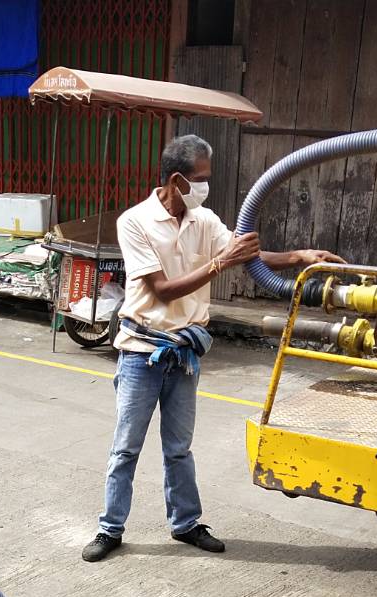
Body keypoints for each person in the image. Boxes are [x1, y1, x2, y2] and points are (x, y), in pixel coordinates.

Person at [81, 134, 344, 563]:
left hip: (185, 354)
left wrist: (298, 256)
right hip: (142, 352)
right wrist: (222, 262)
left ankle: (185, 523)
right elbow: (163, 291)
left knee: (179, 448)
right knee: (126, 448)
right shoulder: (135, 222)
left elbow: (245, 254)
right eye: (200, 179)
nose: (206, 187)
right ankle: (110, 528)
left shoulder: (203, 219)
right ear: (177, 179)